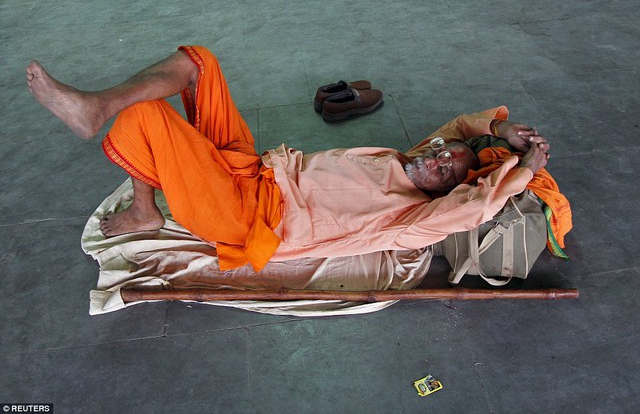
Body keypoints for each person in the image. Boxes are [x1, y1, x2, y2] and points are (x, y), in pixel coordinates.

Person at [27, 45, 551, 271]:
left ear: (444, 190)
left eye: (447, 169)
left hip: (246, 217)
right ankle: (114, 143)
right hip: (252, 170)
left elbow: (475, 207)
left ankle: (111, 136)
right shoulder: (406, 157)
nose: (437, 158)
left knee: (147, 118)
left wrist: (524, 171)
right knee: (199, 63)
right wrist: (500, 128)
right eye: (441, 152)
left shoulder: (410, 218)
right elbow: (460, 129)